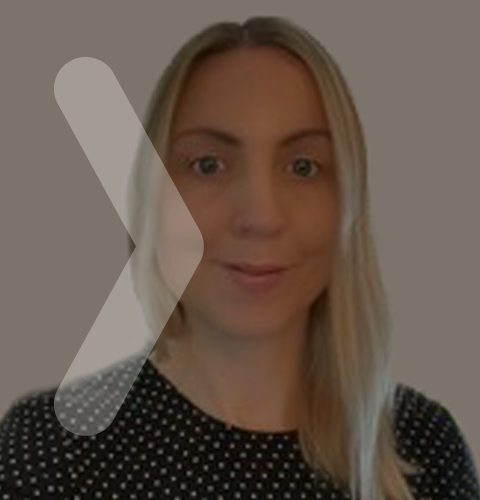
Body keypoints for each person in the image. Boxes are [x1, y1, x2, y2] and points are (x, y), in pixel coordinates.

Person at [1, 16, 479, 500]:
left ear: (348, 202)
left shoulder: (423, 446)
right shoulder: (49, 452)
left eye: (303, 167)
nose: (261, 217)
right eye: (208, 165)